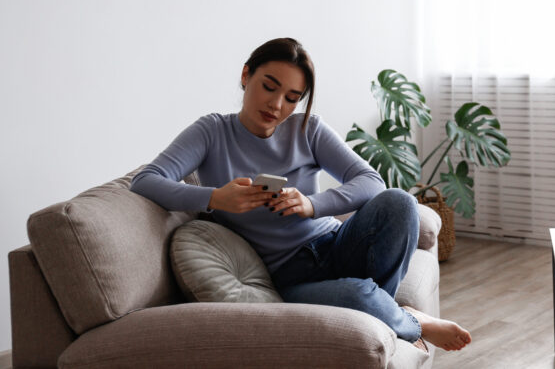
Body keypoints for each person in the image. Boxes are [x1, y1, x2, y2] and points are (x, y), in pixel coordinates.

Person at [130, 37, 471, 352]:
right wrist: (215, 198)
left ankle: (385, 309)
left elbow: (371, 181)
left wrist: (312, 204)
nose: (277, 105)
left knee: (400, 202)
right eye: (269, 87)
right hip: (290, 275)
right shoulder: (211, 132)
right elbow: (146, 180)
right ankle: (408, 320)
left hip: (336, 245)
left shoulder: (308, 129)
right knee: (358, 297)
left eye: (292, 98)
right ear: (246, 75)